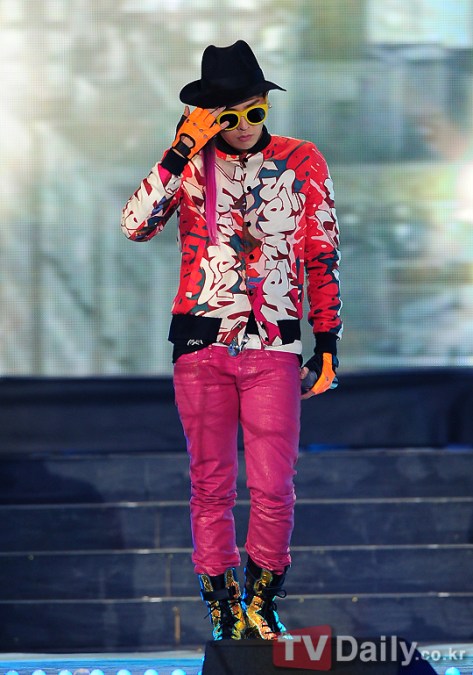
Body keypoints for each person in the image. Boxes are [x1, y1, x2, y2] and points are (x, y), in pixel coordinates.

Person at [121, 40, 342, 641]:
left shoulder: (302, 160)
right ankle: (222, 605)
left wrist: (327, 342)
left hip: (273, 344)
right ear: (207, 117)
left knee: (274, 485)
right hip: (201, 346)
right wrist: (180, 149)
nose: (243, 126)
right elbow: (134, 225)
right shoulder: (189, 164)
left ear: (267, 105)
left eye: (254, 112)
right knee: (210, 484)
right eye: (229, 117)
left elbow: (322, 254)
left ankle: (262, 598)